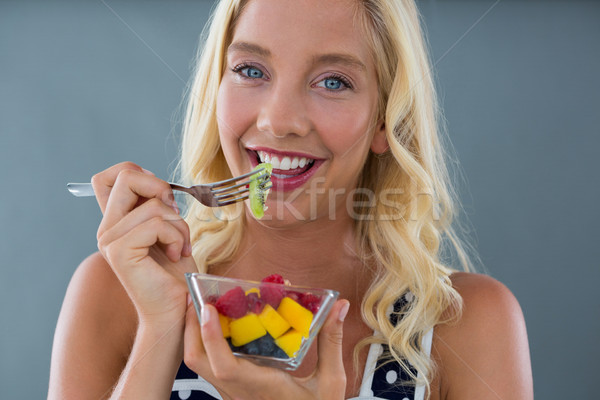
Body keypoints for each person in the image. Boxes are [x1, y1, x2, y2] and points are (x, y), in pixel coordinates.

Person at [48, 0, 533, 399]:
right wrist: (159, 329)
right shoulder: (117, 294)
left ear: (385, 120)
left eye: (333, 81)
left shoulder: (469, 324)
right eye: (251, 70)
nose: (279, 121)